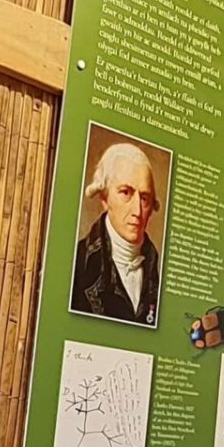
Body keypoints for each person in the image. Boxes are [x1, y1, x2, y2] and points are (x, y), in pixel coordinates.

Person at [71, 139, 161, 326]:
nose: (137, 210)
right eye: (126, 192)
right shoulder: (77, 264)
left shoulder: (159, 270)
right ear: (104, 198)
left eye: (144, 198)